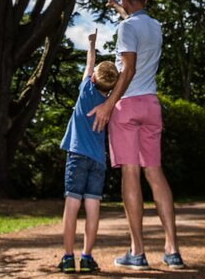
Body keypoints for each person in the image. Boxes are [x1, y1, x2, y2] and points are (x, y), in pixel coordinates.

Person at [89, 0, 185, 270]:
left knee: (130, 173)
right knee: (154, 172)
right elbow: (133, 21)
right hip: (151, 106)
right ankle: (172, 250)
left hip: (128, 106)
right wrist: (118, 8)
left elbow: (127, 69)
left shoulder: (126, 29)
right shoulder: (154, 26)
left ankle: (137, 252)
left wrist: (108, 104)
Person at [57, 29, 120, 274]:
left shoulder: (85, 89)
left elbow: (90, 61)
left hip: (76, 156)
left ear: (93, 78)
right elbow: (117, 81)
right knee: (93, 206)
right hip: (97, 161)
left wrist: (92, 43)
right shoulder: (110, 104)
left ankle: (67, 257)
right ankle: (86, 258)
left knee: (72, 205)